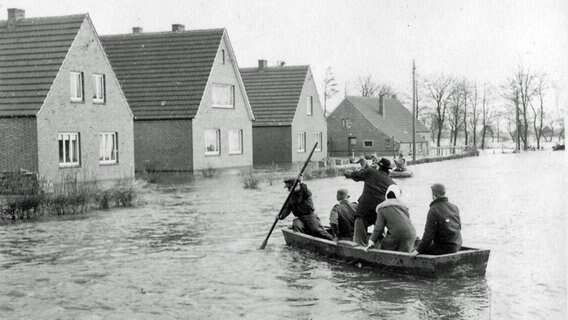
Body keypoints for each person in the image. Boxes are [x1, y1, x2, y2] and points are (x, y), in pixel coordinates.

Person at [344, 157, 395, 246]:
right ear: (388, 170)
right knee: (380, 234)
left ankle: (359, 249)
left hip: (364, 210)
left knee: (358, 239)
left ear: (379, 166)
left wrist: (353, 172)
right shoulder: (392, 183)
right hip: (380, 212)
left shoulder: (371, 172)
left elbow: (355, 176)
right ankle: (381, 249)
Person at [410, 184, 462, 257]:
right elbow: (459, 227)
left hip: (444, 248)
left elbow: (428, 235)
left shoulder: (434, 209)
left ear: (434, 195)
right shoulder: (454, 207)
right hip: (457, 245)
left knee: (415, 250)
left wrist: (417, 251)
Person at [365, 184, 417, 253]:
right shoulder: (404, 207)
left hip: (398, 236)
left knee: (384, 243)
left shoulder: (382, 208)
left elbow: (379, 228)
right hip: (412, 235)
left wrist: (371, 241)